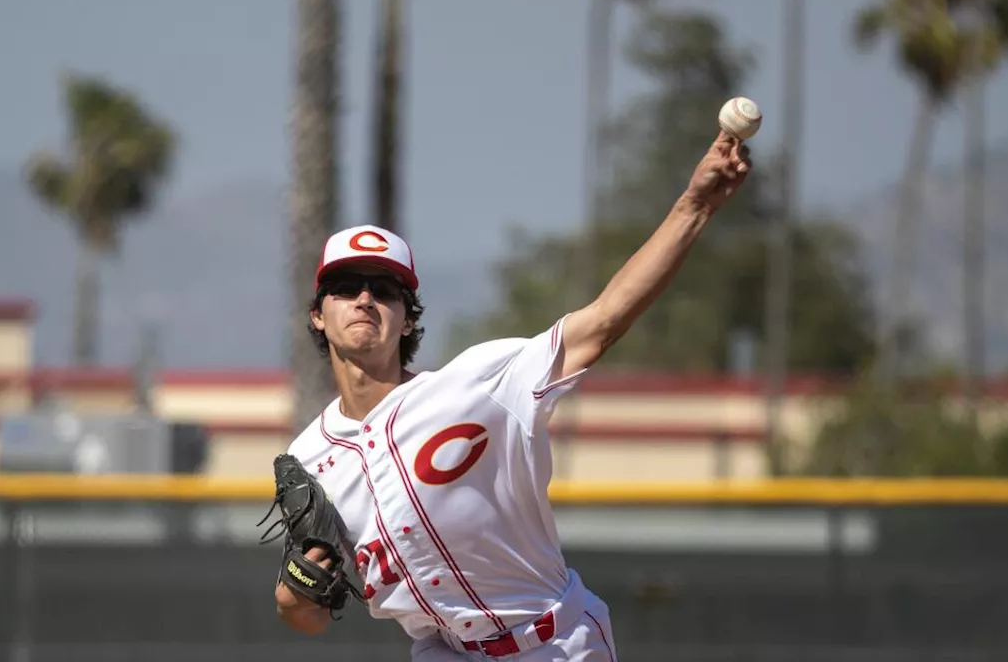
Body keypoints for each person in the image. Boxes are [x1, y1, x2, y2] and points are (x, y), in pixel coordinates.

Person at [273, 128, 751, 660]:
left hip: (553, 644)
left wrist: (694, 205)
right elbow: (308, 614)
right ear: (319, 314)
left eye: (384, 291)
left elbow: (604, 321)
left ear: (408, 320)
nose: (364, 300)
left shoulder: (480, 382)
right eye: (345, 288)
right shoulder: (309, 457)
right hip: (443, 650)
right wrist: (292, 596)